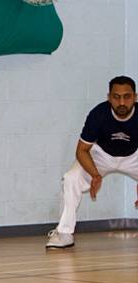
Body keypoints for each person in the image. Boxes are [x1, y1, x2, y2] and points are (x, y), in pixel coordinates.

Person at [46, 76, 138, 248]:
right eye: (116, 97)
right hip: (101, 155)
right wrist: (95, 175)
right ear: (109, 97)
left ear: (135, 97)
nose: (122, 102)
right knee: (71, 178)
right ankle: (65, 234)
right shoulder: (98, 114)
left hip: (134, 156)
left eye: (127, 96)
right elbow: (81, 150)